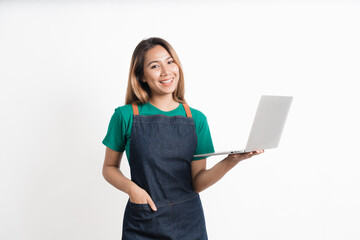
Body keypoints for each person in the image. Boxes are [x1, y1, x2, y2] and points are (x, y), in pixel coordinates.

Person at [102, 37, 264, 240]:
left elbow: (197, 183)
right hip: (143, 223)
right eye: (154, 66)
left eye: (170, 62)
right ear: (141, 75)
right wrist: (132, 190)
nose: (166, 71)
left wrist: (232, 160)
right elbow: (109, 168)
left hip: (189, 223)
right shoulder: (124, 116)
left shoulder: (196, 119)